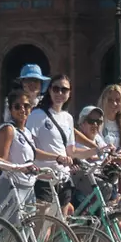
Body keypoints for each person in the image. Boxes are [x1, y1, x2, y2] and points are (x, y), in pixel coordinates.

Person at [26, 72, 80, 211]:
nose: (59, 93)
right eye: (56, 89)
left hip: (63, 177)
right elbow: (30, 150)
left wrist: (97, 150)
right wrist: (57, 157)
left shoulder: (68, 118)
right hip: (44, 177)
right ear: (49, 90)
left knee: (62, 222)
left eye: (64, 90)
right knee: (43, 222)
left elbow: (71, 151)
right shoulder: (37, 115)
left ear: (69, 93)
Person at [0, 89, 41, 225]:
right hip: (12, 185)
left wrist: (58, 158)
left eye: (26, 106)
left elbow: (36, 153)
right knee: (10, 231)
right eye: (17, 106)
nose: (22, 109)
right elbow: (0, 160)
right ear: (11, 110)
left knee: (27, 229)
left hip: (28, 186)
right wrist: (19, 168)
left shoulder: (27, 132)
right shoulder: (8, 130)